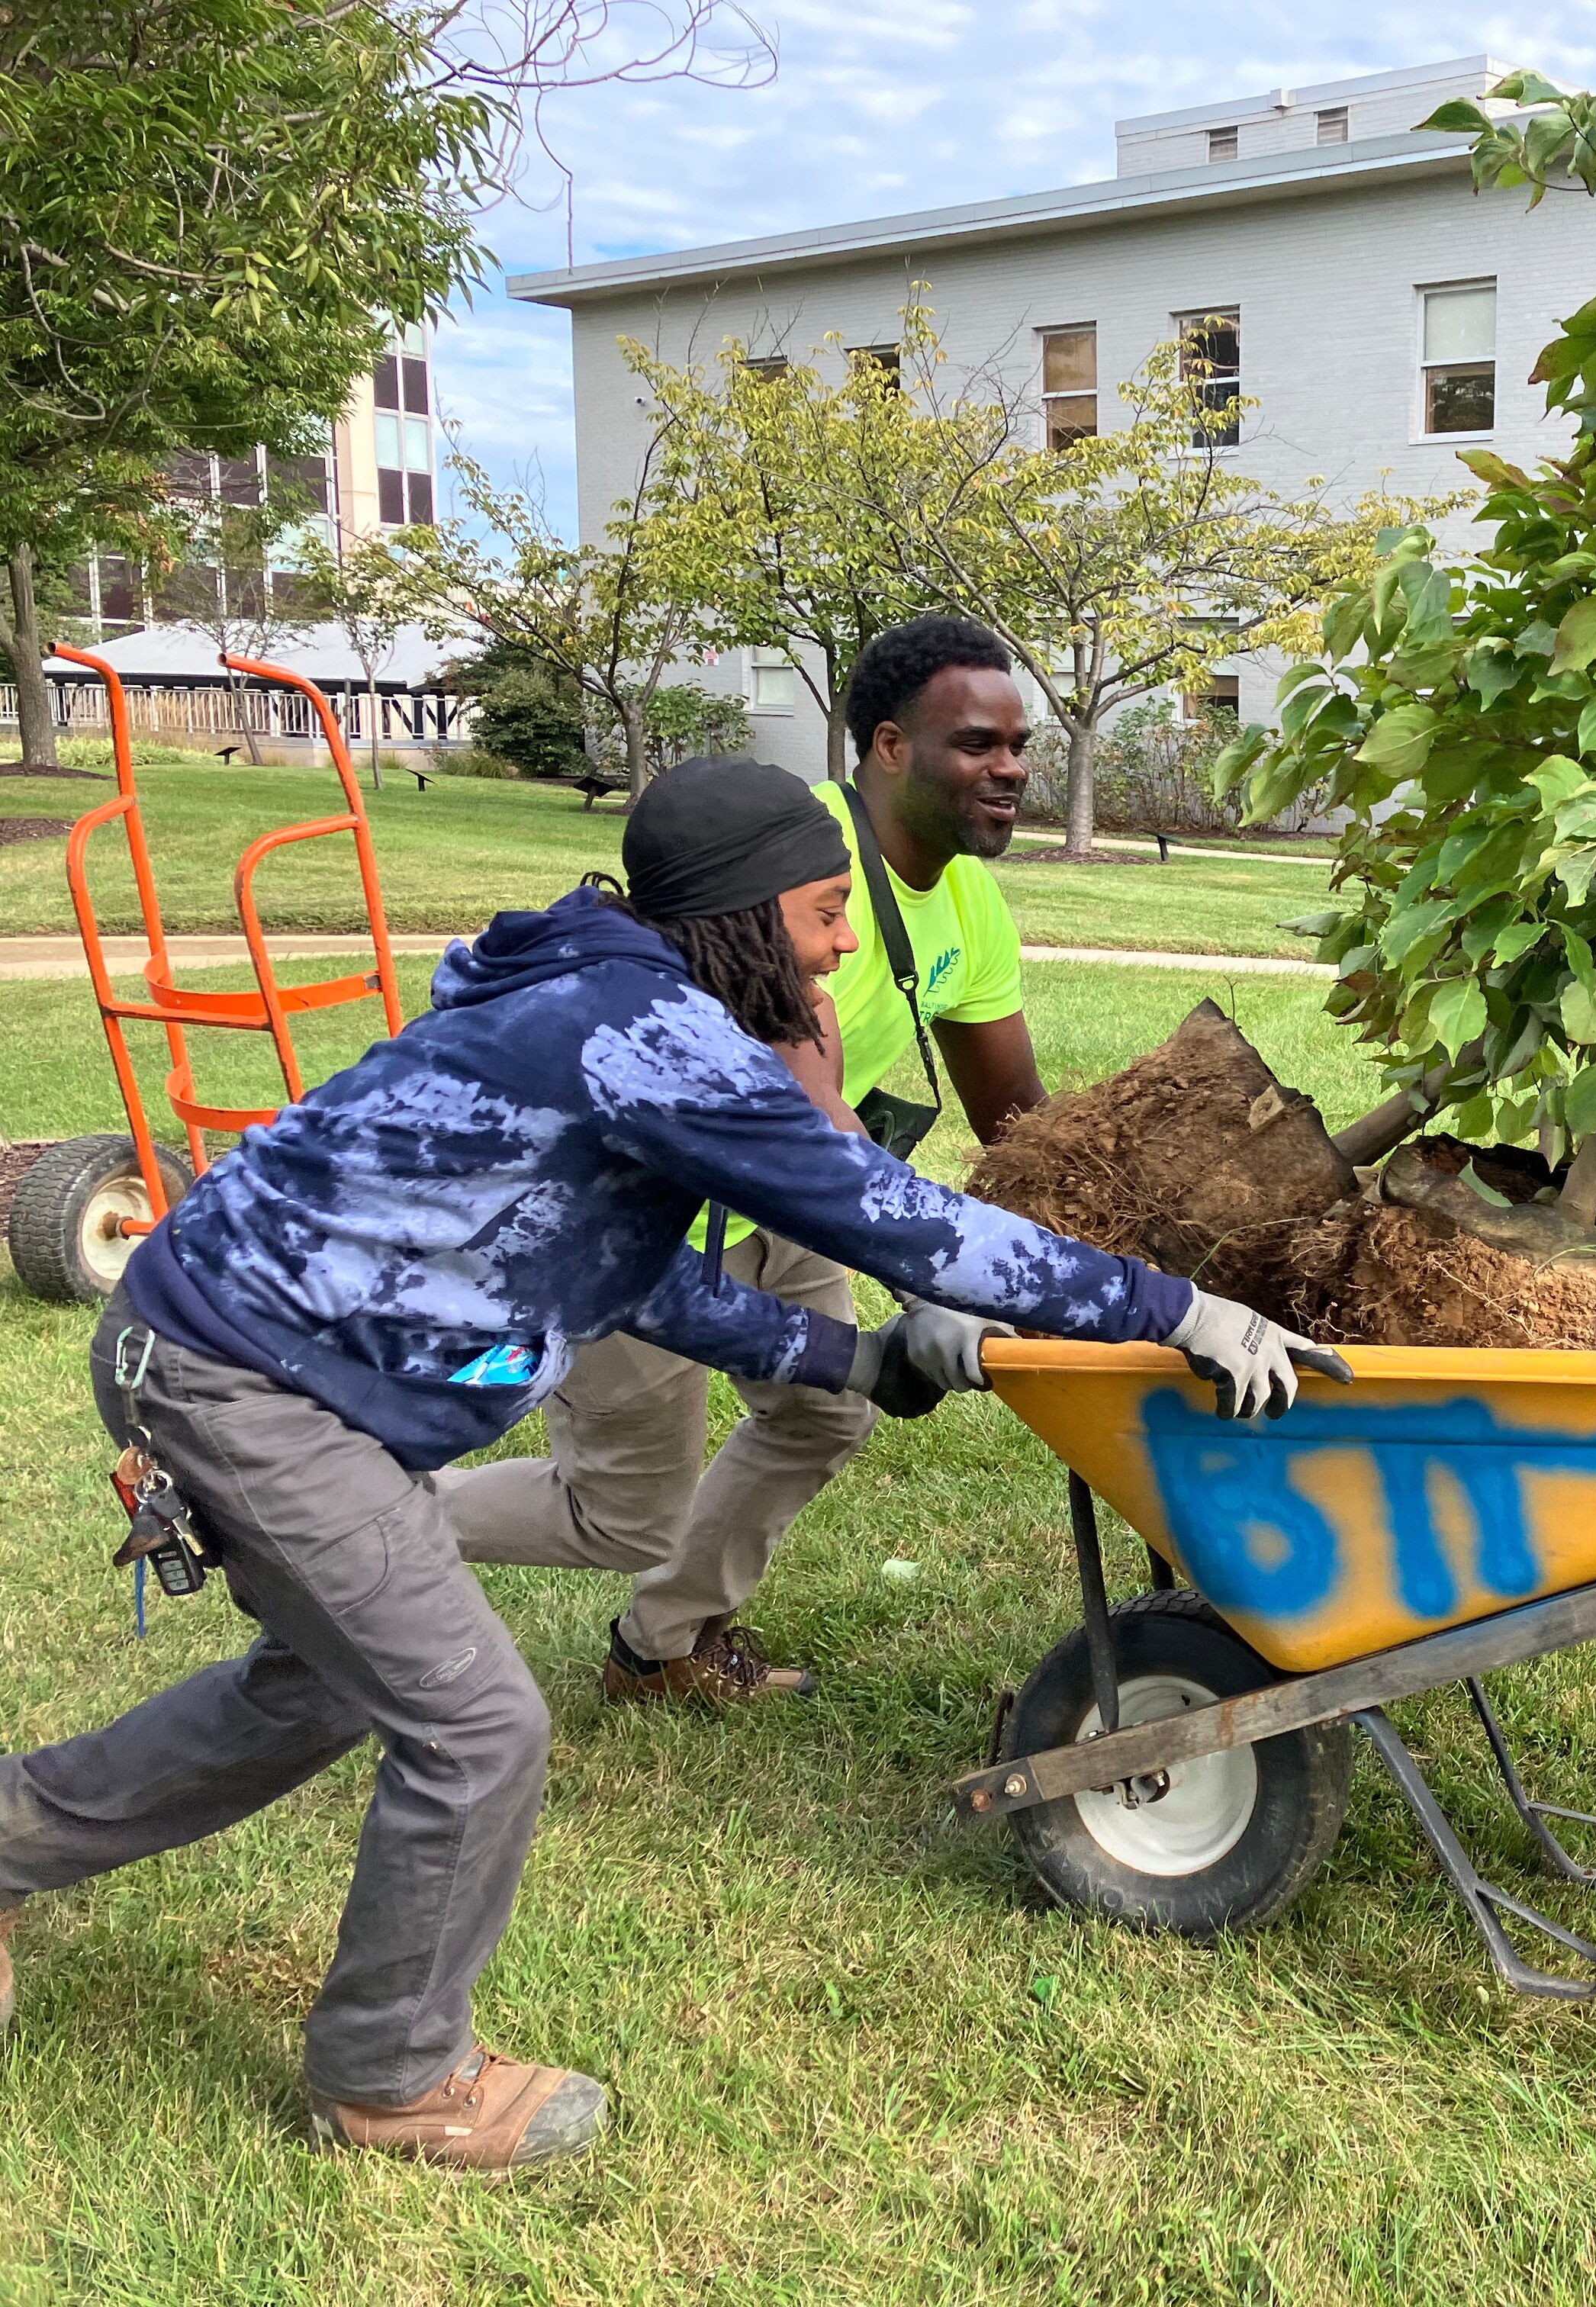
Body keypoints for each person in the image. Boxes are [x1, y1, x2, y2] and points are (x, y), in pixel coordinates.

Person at [0, 759, 1318, 2169]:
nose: (842, 946)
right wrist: (1174, 1307)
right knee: (475, 1724)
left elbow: (615, 1275)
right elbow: (902, 1222)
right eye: (823, 913)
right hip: (238, 1382)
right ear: (751, 917)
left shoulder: (604, 1012)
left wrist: (855, 1365)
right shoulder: (637, 1030)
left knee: (324, 1690)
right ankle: (391, 2075)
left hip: (252, 1368)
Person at [440, 617, 1049, 1705]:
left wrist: (1085, 1248)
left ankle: (661, 1648)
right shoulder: (788, 852)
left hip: (775, 1197)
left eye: (1017, 745)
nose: (1007, 768)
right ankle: (343, 1508)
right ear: (889, 747)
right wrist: (936, 1280)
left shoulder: (971, 902)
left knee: (824, 1410)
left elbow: (1019, 1121)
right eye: (976, 743)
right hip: (641, 1205)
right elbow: (817, 1116)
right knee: (624, 1515)